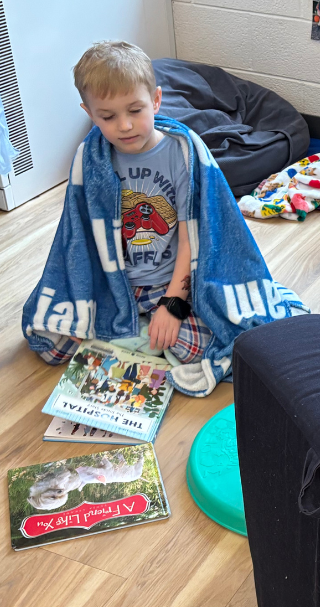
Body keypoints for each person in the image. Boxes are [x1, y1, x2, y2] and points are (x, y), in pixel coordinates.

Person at [37, 41, 210, 367]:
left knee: (199, 347)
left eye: (135, 110)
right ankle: (136, 334)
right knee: (48, 343)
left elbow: (193, 238)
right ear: (89, 114)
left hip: (165, 281)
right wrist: (80, 301)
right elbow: (79, 237)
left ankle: (127, 335)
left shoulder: (181, 153)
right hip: (112, 285)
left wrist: (173, 305)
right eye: (108, 116)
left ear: (156, 100)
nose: (125, 125)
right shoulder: (90, 159)